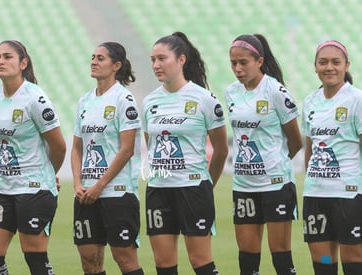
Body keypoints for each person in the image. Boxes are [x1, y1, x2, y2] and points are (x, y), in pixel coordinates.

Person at [142, 31, 228, 275]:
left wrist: (205, 184)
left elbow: (221, 150)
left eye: (162, 58)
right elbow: (151, 144)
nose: (156, 65)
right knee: (163, 263)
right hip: (158, 190)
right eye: (153, 59)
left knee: (200, 261)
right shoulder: (149, 102)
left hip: (193, 189)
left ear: (181, 59)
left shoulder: (204, 99)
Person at [0, 40, 66, 275]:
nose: (0, 61)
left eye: (7, 57)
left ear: (23, 63)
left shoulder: (35, 99)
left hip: (33, 190)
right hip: (2, 189)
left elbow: (58, 146)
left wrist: (48, 174)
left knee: (35, 260)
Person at [225, 34, 302, 275]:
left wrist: (274, 165)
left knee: (281, 259)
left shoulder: (276, 91)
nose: (238, 69)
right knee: (247, 262)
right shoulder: (231, 93)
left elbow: (296, 141)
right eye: (233, 63)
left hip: (275, 185)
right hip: (244, 186)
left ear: (259, 61)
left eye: (243, 62)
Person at [71, 42, 144, 275]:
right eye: (93, 57)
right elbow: (76, 147)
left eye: (100, 58)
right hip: (86, 195)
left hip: (117, 193)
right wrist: (78, 184)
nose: (93, 61)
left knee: (125, 260)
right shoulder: (84, 101)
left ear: (116, 65)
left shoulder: (124, 99)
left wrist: (100, 185)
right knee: (89, 261)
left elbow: (127, 149)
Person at [302, 40, 362, 275]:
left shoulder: (356, 99)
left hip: (348, 193)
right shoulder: (310, 101)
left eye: (336, 62)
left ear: (346, 65)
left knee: (353, 258)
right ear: (315, 66)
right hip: (316, 194)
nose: (329, 67)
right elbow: (309, 147)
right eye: (323, 62)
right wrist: (312, 181)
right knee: (324, 260)